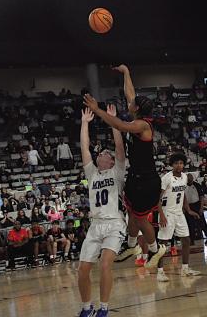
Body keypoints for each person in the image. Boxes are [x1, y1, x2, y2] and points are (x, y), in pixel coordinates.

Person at [84, 64, 166, 269]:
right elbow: (131, 94)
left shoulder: (142, 125)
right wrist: (127, 72)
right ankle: (131, 246)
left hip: (146, 180)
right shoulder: (137, 114)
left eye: (133, 103)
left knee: (140, 220)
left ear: (136, 109)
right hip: (136, 177)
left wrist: (97, 110)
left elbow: (120, 125)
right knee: (131, 212)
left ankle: (156, 249)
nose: (129, 102)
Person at [77, 106, 127, 317]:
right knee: (82, 270)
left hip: (114, 223)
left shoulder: (117, 171)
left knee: (105, 264)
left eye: (105, 154)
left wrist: (114, 122)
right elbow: (85, 148)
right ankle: (87, 307)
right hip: (95, 225)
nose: (102, 154)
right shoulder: (92, 174)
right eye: (101, 153)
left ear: (112, 161)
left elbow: (119, 147)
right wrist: (85, 123)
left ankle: (104, 308)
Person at [156, 153, 201, 282]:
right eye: (176, 163)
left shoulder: (185, 177)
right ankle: (160, 272)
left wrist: (188, 209)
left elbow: (183, 195)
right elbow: (157, 199)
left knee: (186, 240)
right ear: (172, 165)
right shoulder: (166, 178)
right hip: (167, 213)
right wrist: (162, 215)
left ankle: (185, 269)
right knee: (163, 244)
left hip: (179, 213)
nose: (179, 165)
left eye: (181, 163)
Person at [185, 173, 207, 246]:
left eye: (190, 178)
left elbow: (201, 197)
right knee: (190, 224)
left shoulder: (197, 185)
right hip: (188, 206)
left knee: (202, 223)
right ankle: (191, 240)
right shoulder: (184, 186)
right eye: (188, 179)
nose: (189, 180)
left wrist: (201, 208)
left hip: (197, 205)